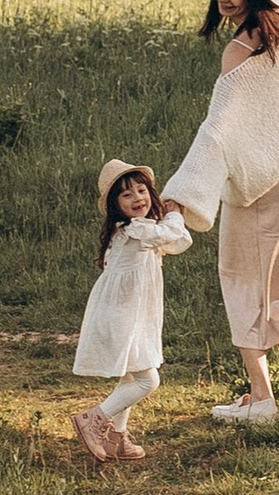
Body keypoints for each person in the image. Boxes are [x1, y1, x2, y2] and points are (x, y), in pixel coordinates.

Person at [163, 0, 279, 426]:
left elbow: (218, 132)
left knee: (240, 278)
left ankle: (261, 398)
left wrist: (179, 197)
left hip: (260, 179)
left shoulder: (238, 53)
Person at [71, 160, 190, 465]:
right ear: (115, 205)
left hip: (127, 314)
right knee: (147, 381)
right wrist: (175, 214)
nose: (137, 198)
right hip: (123, 316)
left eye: (141, 190)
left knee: (129, 379)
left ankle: (117, 440)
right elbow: (172, 235)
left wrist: (172, 220)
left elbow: (177, 242)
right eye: (126, 195)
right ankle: (94, 419)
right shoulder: (134, 229)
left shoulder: (142, 230)